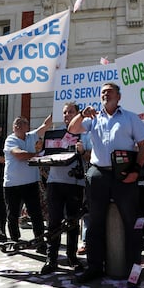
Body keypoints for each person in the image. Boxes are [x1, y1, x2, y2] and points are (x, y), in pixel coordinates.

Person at [68, 82, 144, 283]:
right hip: (99, 175)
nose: (105, 94)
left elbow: (143, 148)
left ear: (118, 97)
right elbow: (72, 129)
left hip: (125, 175)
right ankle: (95, 267)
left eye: (109, 91)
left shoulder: (131, 118)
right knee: (95, 223)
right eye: (103, 92)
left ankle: (134, 271)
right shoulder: (93, 119)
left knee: (132, 223)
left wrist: (136, 171)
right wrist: (82, 115)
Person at [41, 102, 91, 274]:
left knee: (72, 222)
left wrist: (83, 151)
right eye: (64, 112)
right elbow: (42, 157)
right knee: (53, 222)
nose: (67, 115)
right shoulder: (54, 134)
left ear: (77, 114)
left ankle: (72, 257)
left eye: (70, 111)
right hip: (54, 184)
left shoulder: (84, 133)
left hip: (75, 184)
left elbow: (91, 156)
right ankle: (51, 259)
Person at [3, 114, 52, 253]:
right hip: (12, 184)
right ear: (16, 126)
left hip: (30, 183)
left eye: (24, 124)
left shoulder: (31, 136)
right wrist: (35, 155)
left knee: (36, 214)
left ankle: (40, 241)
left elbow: (46, 124)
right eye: (22, 124)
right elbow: (18, 154)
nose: (26, 126)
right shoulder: (10, 139)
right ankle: (14, 240)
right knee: (13, 214)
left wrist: (56, 108)